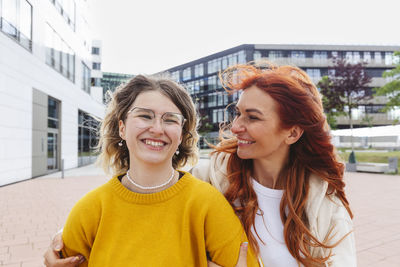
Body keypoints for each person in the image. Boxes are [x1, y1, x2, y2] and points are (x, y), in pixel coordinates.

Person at [45, 62, 356, 266]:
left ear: (292, 132)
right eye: (237, 113)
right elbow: (146, 202)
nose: (236, 127)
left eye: (252, 117)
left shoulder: (326, 206)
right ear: (122, 127)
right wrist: (65, 241)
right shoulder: (212, 178)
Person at [47, 74, 258, 267]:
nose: (157, 129)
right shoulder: (90, 210)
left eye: (170, 119)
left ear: (182, 134)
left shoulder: (208, 204)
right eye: (145, 116)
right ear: (122, 127)